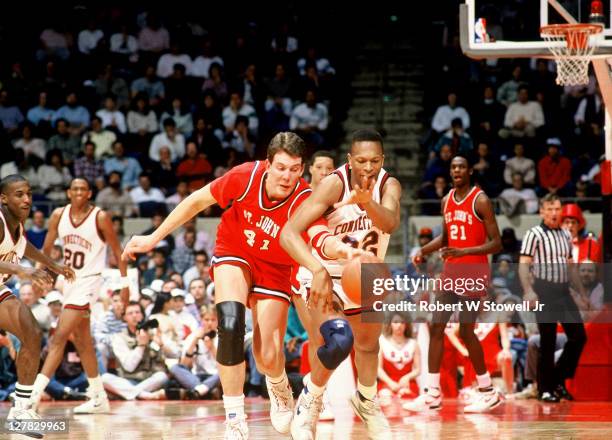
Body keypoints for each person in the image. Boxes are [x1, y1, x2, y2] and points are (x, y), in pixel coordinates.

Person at [123, 132, 361, 439]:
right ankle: (235, 419)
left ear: (302, 169)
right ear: (267, 164)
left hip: (276, 268)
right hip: (234, 251)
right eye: (281, 168)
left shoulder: (303, 198)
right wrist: (153, 238)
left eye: (294, 169)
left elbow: (319, 235)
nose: (287, 176)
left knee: (268, 356)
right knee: (231, 323)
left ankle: (278, 385)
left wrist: (342, 249)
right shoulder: (245, 176)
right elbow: (197, 200)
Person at [280, 129, 402, 439]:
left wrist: (366, 203)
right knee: (337, 341)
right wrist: (315, 269)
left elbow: (390, 222)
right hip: (326, 273)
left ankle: (366, 401)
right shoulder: (333, 184)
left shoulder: (390, 185)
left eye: (375, 160)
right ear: (349, 159)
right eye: (361, 160)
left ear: (383, 159)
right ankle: (311, 400)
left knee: (369, 344)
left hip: (363, 273)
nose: (368, 167)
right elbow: (290, 233)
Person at [404, 155, 503, 413]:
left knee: (466, 332)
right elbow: (446, 237)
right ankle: (432, 393)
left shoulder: (480, 200)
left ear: (470, 170)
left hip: (473, 271)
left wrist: (464, 251)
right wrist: (422, 250)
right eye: (453, 167)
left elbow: (497, 242)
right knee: (436, 327)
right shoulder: (447, 200)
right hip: (451, 272)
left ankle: (488, 390)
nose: (457, 170)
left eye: (461, 166)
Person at [30, 178, 130, 414]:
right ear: (68, 192)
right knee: (83, 341)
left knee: (59, 336)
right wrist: (41, 273)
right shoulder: (58, 215)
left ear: (89, 193)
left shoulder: (100, 217)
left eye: (83, 189)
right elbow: (46, 249)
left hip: (91, 280)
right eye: (74, 188)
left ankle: (30, 398)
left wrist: (125, 285)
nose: (78, 192)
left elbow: (118, 251)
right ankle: (98, 397)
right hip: (70, 282)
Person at [0, 175, 75, 434]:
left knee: (31, 332)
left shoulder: (17, 226)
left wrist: (54, 265)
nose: (27, 199)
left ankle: (20, 411)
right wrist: (23, 271)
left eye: (29, 194)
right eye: (19, 194)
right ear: (3, 198)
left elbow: (25, 247)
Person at [518, 194, 587, 402]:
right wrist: (529, 291)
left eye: (558, 209)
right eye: (550, 209)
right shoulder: (534, 234)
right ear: (542, 212)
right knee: (547, 342)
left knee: (579, 337)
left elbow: (571, 267)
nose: (555, 213)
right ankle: (545, 389)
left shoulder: (566, 235)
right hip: (543, 291)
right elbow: (523, 264)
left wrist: (582, 293)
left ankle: (556, 379)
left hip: (563, 291)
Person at [377, 313, 420, 406]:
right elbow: (378, 369)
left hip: (408, 383)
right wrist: (390, 383)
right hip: (387, 383)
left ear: (406, 325)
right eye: (395, 322)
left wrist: (407, 377)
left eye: (402, 322)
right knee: (386, 397)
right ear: (390, 324)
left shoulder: (414, 344)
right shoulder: (382, 342)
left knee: (406, 398)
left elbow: (418, 369)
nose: (399, 325)